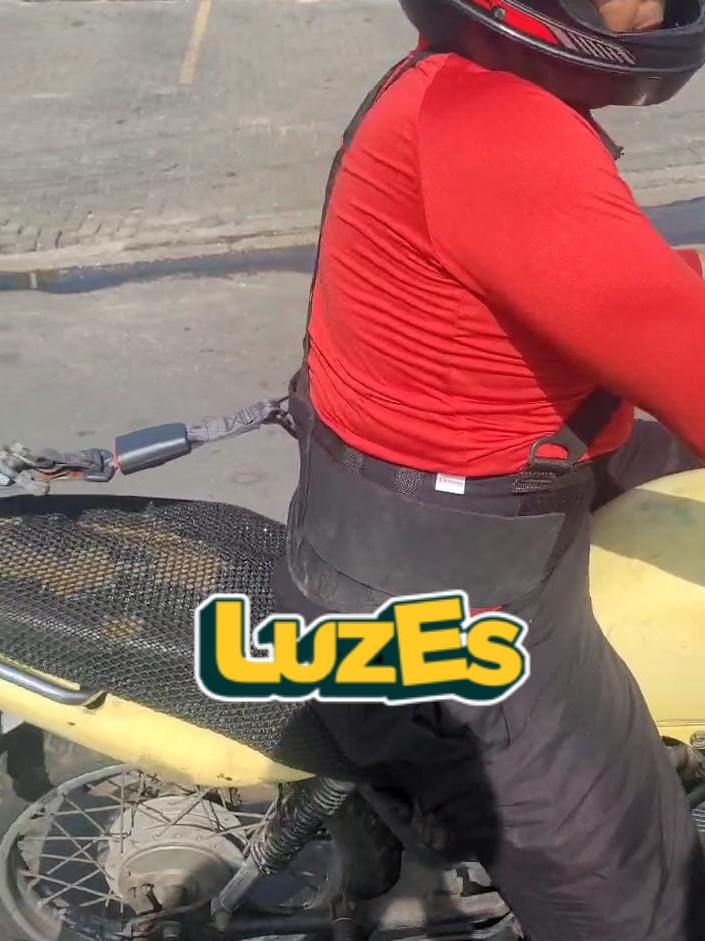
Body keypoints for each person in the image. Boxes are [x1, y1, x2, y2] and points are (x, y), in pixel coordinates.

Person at [273, 0, 705, 937]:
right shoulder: (503, 131)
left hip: (406, 504)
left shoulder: (451, 83)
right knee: (648, 904)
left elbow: (601, 281)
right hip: (452, 593)